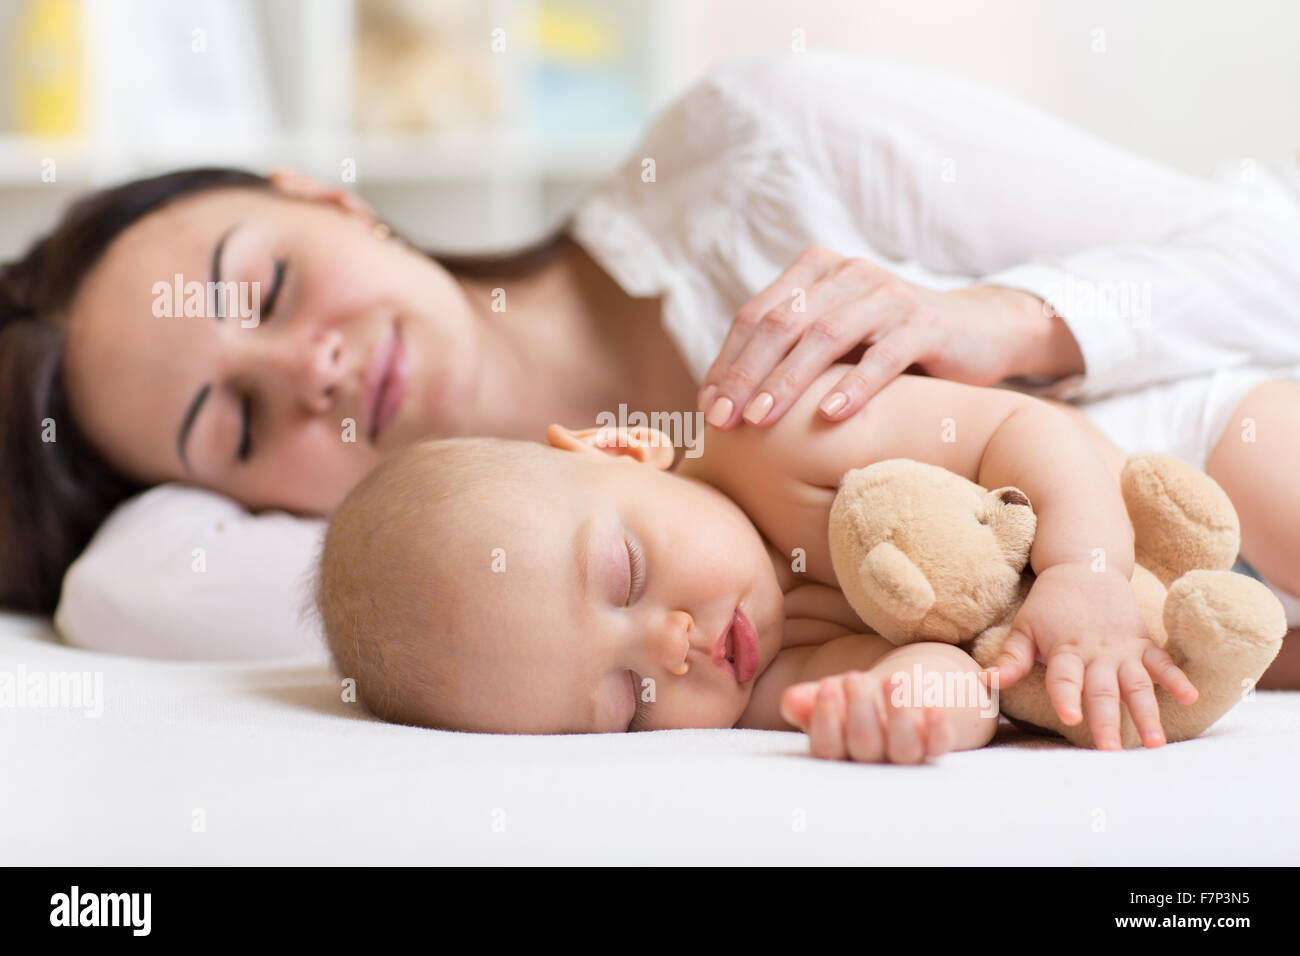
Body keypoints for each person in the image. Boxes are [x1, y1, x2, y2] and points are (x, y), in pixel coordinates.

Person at [2, 51, 1297, 661]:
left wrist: (1014, 317)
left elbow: (1276, 251)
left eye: (268, 284)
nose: (311, 370)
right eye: (233, 426)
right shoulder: (486, 609)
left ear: (326, 195)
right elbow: (128, 595)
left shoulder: (765, 149)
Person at [316, 367, 1212, 760]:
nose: (673, 652)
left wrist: (1085, 572)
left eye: (626, 578)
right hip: (1182, 610)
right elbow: (967, 673)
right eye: (628, 705)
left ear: (625, 451)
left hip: (1159, 451)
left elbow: (1024, 430)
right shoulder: (764, 690)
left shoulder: (776, 440)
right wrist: (906, 706)